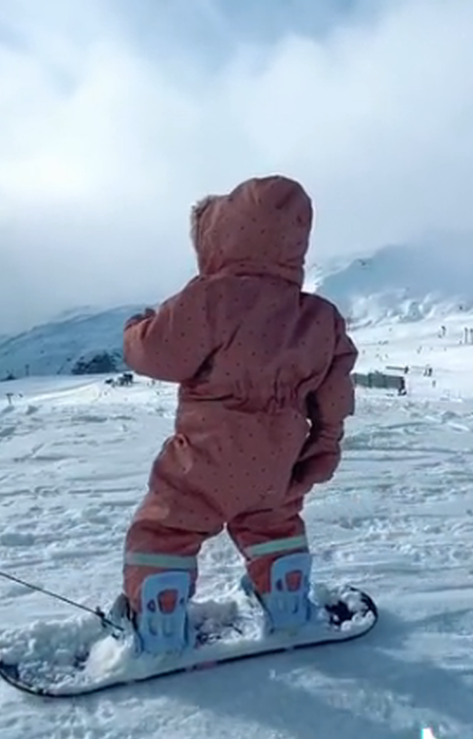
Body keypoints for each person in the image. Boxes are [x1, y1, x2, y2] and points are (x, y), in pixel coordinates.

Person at [109, 175, 358, 653]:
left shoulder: (211, 297)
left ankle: (159, 627)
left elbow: (161, 355)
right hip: (280, 457)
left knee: (168, 525)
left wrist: (136, 329)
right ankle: (287, 606)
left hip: (208, 453)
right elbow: (334, 390)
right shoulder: (319, 317)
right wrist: (325, 442)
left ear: (223, 237)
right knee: (273, 523)